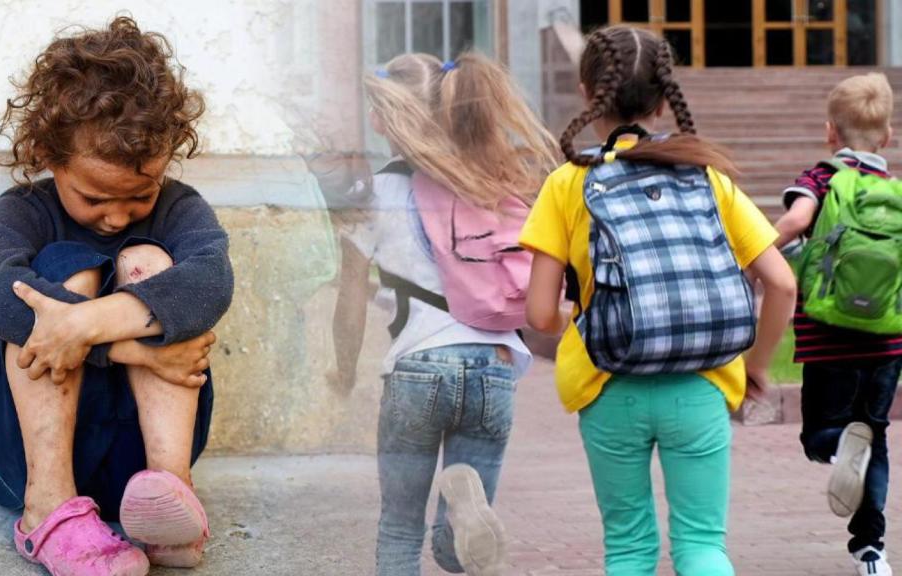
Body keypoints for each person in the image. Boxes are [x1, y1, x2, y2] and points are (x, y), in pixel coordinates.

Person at [522, 26, 796, 575]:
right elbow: (782, 283)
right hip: (700, 384)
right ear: (663, 98)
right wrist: (756, 366)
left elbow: (538, 314)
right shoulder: (705, 175)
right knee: (702, 545)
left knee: (628, 548)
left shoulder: (568, 183)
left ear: (586, 93)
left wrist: (577, 321)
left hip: (607, 384)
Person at [0, 16, 232, 575]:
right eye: (94, 198)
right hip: (26, 461)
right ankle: (48, 512)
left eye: (140, 195)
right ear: (49, 156)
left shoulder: (181, 208)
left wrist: (85, 327)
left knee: (150, 263)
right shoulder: (22, 212)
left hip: (137, 467)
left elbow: (212, 282)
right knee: (65, 269)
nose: (116, 216)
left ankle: (171, 496)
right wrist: (130, 348)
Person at [327, 52, 558, 575]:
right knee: (456, 554)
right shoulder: (490, 179)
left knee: (400, 529)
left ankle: (459, 517)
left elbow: (350, 300)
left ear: (383, 117)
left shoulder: (376, 192)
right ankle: (463, 514)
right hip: (496, 362)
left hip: (418, 368)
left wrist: (344, 371)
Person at [774, 72, 899, 575]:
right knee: (875, 437)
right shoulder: (891, 189)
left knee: (820, 437)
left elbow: (796, 222)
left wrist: (751, 256)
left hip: (828, 339)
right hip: (886, 341)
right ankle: (871, 552)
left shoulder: (821, 178)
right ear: (887, 136)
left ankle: (836, 446)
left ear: (831, 132)